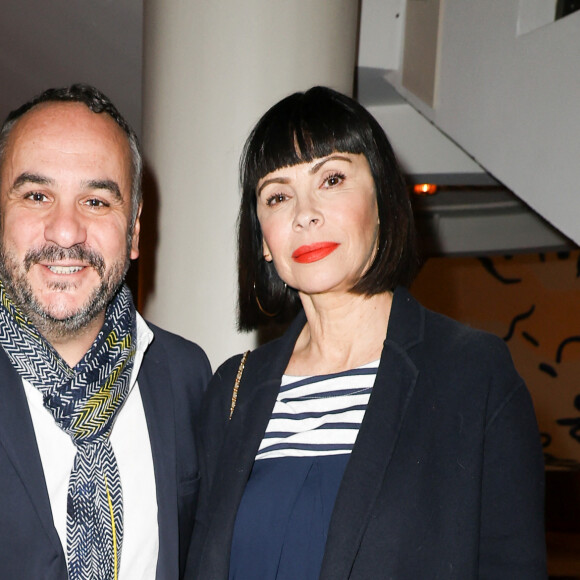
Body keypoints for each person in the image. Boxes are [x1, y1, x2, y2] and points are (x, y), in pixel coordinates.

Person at [186, 86, 546, 579]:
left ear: (382, 203)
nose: (303, 213)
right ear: (263, 241)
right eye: (277, 195)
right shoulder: (232, 389)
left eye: (331, 179)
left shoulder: (472, 374)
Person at [0, 84, 210, 580]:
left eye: (95, 201)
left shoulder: (186, 377)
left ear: (134, 232)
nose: (66, 231)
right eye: (36, 195)